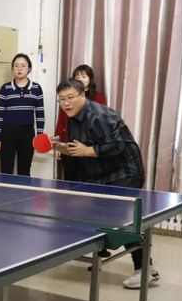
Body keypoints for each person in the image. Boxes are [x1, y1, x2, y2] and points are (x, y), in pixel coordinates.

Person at [53, 78, 158, 289]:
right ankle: (144, 265)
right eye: (62, 99)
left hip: (125, 171)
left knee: (122, 219)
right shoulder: (73, 118)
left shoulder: (100, 116)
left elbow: (118, 145)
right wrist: (62, 148)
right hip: (102, 174)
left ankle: (143, 270)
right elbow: (80, 147)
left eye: (70, 97)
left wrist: (87, 151)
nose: (66, 103)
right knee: (109, 218)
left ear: (82, 95)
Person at [0, 53, 45, 176]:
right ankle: (5, 190)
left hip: (27, 134)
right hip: (8, 134)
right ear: (12, 69)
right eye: (16, 66)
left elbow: (40, 115)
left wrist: (39, 137)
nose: (19, 69)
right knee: (5, 171)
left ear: (29, 68)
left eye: (23, 66)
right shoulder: (5, 88)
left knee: (24, 171)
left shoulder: (37, 88)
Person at [55, 64, 107, 181]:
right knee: (70, 179)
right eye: (77, 77)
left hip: (89, 146)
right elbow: (61, 121)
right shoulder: (66, 99)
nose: (80, 79)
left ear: (90, 79)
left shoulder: (99, 98)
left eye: (84, 76)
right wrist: (59, 144)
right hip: (70, 144)